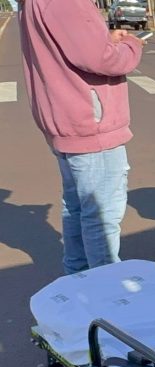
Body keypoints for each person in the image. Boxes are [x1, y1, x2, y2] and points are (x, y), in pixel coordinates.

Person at [19, 0, 145, 275]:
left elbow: (78, 47)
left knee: (78, 209)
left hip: (67, 120)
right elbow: (100, 59)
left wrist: (106, 40)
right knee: (101, 216)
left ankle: (78, 282)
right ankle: (106, 291)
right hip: (91, 124)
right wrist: (130, 47)